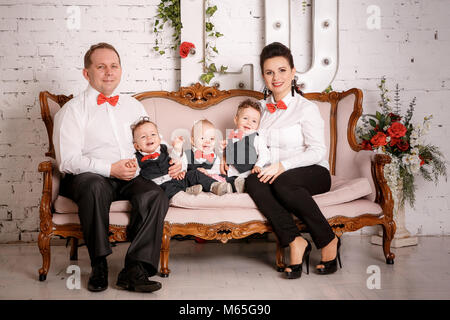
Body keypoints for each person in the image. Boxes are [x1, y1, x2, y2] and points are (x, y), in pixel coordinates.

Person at [53, 42, 182, 292]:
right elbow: (67, 161)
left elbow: (152, 137)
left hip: (131, 175)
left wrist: (173, 157)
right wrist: (109, 168)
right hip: (88, 176)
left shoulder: (133, 106)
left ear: (121, 70)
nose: (109, 72)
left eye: (114, 66)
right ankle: (99, 264)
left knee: (155, 195)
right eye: (101, 67)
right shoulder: (72, 111)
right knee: (94, 187)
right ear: (86, 73)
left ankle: (134, 270)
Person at [243, 42, 341, 279]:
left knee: (283, 182)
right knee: (254, 182)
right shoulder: (261, 110)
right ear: (263, 76)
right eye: (269, 72)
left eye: (282, 70)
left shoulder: (305, 108)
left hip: (312, 171)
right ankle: (295, 241)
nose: (276, 77)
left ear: (293, 72)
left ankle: (328, 240)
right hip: (276, 173)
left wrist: (283, 166)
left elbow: (318, 151)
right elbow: (252, 143)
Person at [131, 117, 232, 198]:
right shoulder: (135, 158)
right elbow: (134, 176)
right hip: (158, 186)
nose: (149, 137)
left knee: (195, 173)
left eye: (153, 134)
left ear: (159, 138)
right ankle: (185, 194)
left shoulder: (165, 149)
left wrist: (177, 148)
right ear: (137, 146)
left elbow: (175, 159)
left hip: (175, 179)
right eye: (143, 137)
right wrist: (130, 167)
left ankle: (215, 186)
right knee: (168, 187)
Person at [222, 99, 270, 193]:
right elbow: (228, 152)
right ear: (236, 119)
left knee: (250, 181)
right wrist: (223, 152)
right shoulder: (232, 136)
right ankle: (228, 186)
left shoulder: (257, 139)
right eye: (245, 118)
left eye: (254, 121)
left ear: (258, 125)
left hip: (248, 173)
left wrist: (258, 165)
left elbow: (265, 154)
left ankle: (242, 185)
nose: (249, 123)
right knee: (224, 180)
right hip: (231, 173)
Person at [186, 119, 233, 195]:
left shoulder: (214, 156)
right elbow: (182, 171)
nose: (208, 141)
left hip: (209, 179)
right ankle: (192, 189)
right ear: (193, 141)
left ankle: (233, 185)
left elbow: (216, 171)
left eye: (211, 139)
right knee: (194, 174)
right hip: (193, 180)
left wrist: (207, 172)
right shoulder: (187, 154)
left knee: (225, 176)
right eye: (202, 138)